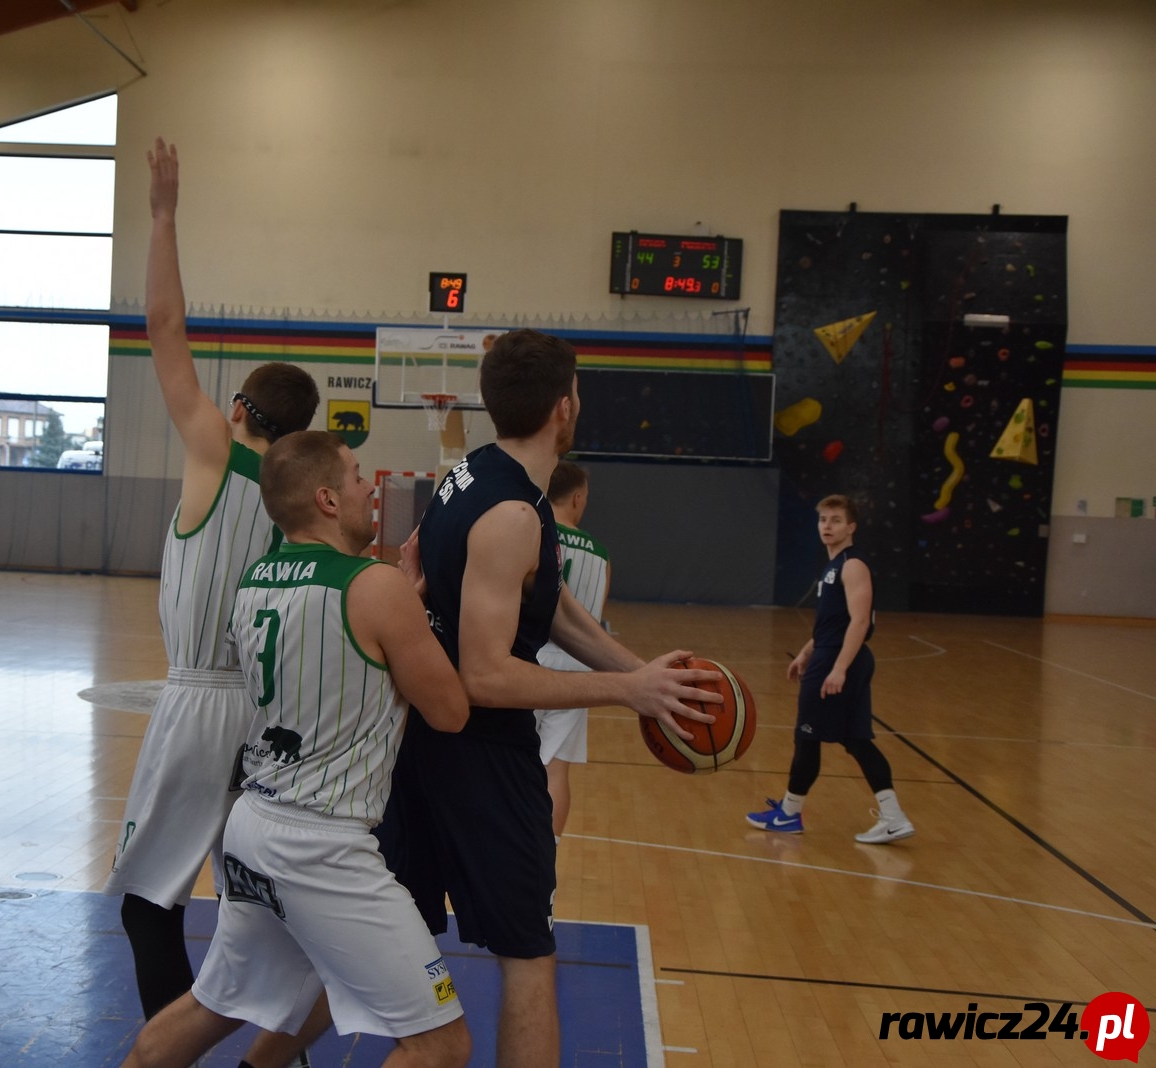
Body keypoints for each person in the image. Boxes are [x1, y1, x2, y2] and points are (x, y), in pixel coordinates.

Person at [377, 328, 721, 1068]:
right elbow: (486, 676)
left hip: (421, 746)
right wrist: (624, 690)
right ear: (564, 406)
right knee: (528, 956)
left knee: (399, 944)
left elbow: (551, 602)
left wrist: (646, 678)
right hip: (480, 759)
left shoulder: (477, 472)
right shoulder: (513, 514)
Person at [123, 432, 471, 1068]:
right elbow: (449, 712)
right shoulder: (376, 588)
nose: (369, 488)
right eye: (357, 475)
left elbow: (342, 641)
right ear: (327, 499)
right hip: (321, 845)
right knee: (441, 1044)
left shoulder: (255, 581)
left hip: (255, 824)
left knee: (214, 1006)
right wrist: (414, 616)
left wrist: (399, 611)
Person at [103, 135, 322, 1049]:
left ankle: (170, 1051)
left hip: (200, 703)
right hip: (274, 714)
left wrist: (163, 216)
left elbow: (163, 328)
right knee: (254, 902)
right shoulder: (308, 498)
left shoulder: (215, 452)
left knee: (148, 903)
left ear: (237, 410)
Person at [747, 495, 914, 844]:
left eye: (836, 520)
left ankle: (789, 814)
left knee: (807, 737)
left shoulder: (852, 565)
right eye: (823, 519)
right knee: (857, 740)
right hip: (831, 655)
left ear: (851, 527)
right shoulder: (833, 566)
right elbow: (833, 623)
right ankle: (893, 817)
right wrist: (806, 652)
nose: (827, 526)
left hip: (839, 661)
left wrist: (838, 668)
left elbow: (859, 621)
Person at [532, 461, 610, 841]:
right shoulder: (601, 553)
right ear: (577, 497)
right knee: (556, 770)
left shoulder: (534, 534)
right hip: (577, 671)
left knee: (509, 760)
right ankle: (546, 855)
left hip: (530, 661)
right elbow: (595, 622)